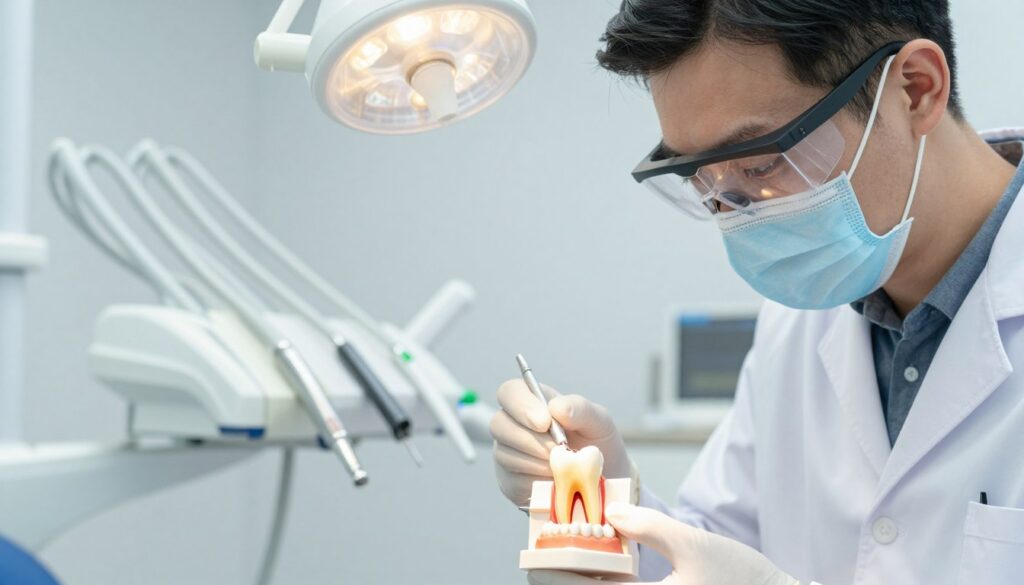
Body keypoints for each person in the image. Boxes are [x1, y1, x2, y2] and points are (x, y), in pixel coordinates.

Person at [490, 1, 1024, 584]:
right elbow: (716, 551)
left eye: (764, 164)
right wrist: (613, 509)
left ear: (916, 90)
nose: (741, 215)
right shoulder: (800, 322)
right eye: (702, 179)